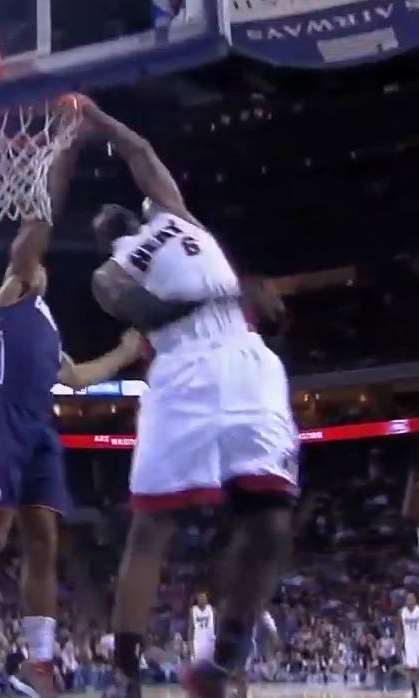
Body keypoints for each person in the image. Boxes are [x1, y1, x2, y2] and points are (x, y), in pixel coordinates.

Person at [78, 96, 299, 698]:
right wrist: (190, 304)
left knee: (271, 521)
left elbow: (140, 151)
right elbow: (123, 299)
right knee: (151, 528)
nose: (102, 215)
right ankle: (125, 677)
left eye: (107, 211)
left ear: (133, 212)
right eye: (96, 221)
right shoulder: (113, 267)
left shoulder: (175, 216)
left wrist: (98, 120)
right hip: (181, 369)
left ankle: (219, 664)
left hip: (243, 359)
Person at [0, 110, 143, 698]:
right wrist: (62, 157)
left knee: (46, 539)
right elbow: (37, 226)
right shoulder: (15, 291)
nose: (43, 264)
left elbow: (76, 378)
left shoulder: (50, 328)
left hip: (39, 429)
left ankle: (41, 662)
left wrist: (125, 352)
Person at [399, 592, 419, 698]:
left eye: (412, 598)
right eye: (408, 598)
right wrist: (399, 641)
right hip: (409, 641)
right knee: (412, 668)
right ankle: (414, 692)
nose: (410, 600)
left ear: (415, 600)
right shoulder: (402, 612)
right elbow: (399, 628)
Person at [188, 593, 215, 662]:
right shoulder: (193, 610)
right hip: (197, 643)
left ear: (207, 598)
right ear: (197, 598)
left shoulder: (212, 610)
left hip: (209, 643)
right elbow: (190, 630)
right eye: (200, 597)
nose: (202, 599)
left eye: (203, 597)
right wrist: (191, 650)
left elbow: (217, 627)